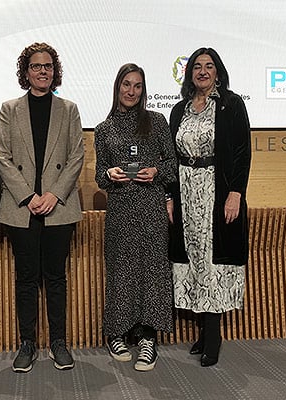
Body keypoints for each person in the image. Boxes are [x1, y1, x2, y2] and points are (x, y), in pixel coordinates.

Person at [0, 42, 84, 373]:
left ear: (54, 71)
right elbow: (2, 155)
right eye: (36, 66)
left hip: (58, 208)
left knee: (56, 277)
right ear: (26, 71)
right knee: (26, 278)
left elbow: (77, 155)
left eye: (48, 66)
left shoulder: (69, 109)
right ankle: (28, 343)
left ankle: (58, 342)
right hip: (22, 208)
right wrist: (28, 196)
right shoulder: (9, 109)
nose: (42, 71)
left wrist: (54, 195)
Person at [167, 47, 251, 367]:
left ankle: (213, 335)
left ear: (218, 71)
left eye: (209, 66)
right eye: (197, 67)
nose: (203, 71)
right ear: (190, 74)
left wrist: (236, 193)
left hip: (217, 188)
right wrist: (171, 196)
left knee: (213, 260)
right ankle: (202, 331)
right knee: (194, 258)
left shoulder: (231, 104)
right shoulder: (180, 110)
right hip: (186, 189)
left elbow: (242, 151)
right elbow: (171, 158)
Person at [94, 63, 178, 372]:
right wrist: (109, 172)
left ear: (143, 90)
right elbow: (99, 175)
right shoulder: (104, 129)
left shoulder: (156, 122)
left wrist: (156, 171)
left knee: (152, 272)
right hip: (120, 210)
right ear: (117, 87)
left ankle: (147, 337)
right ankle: (117, 333)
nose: (131, 91)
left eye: (138, 86)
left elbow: (172, 164)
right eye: (126, 85)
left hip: (152, 208)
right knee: (121, 271)